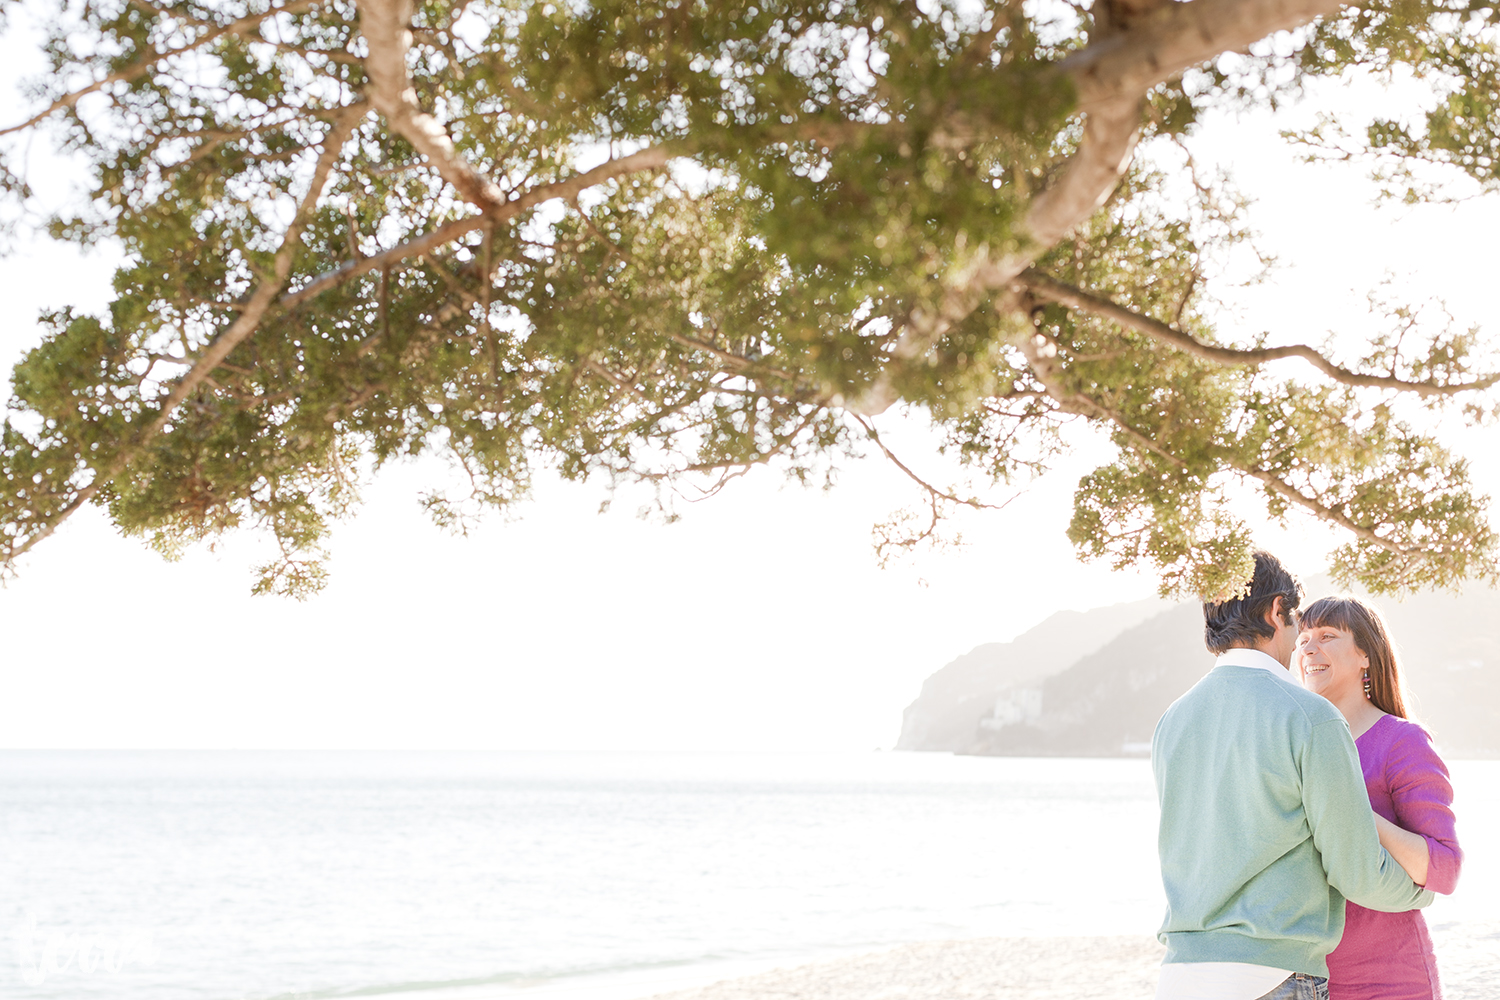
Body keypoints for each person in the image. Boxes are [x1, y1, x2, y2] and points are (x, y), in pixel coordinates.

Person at [1153, 552, 1433, 1000]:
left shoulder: (1173, 719)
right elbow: (1355, 871)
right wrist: (1421, 892)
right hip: (1272, 974)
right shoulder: (1309, 715)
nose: (1299, 643)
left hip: (1181, 973)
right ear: (1274, 610)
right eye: (1296, 624)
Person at [1296, 596, 1462, 1000]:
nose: (1308, 649)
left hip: (1388, 980)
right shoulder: (1297, 742)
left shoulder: (1401, 742)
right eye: (1302, 639)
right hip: (1304, 980)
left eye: (1327, 636)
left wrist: (1356, 812)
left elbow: (1445, 867)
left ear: (1365, 655)